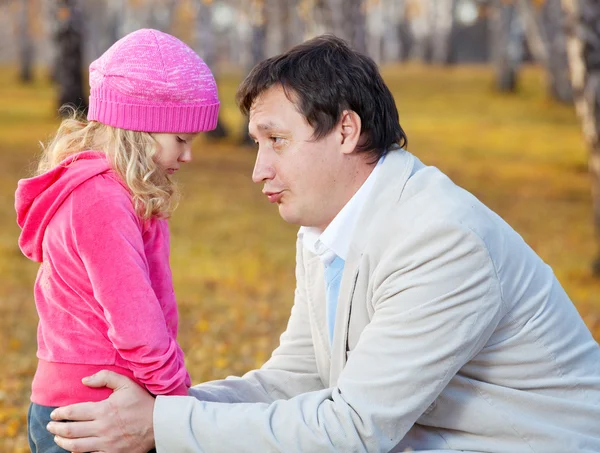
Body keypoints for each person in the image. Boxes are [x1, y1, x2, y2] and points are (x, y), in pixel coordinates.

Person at [47, 35, 600, 453]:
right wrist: (155, 411)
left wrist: (160, 425)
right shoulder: (326, 230)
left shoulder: (440, 240)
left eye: (276, 141)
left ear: (345, 131)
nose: (258, 170)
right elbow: (297, 379)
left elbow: (353, 429)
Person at [16, 28, 220, 453]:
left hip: (90, 403)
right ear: (142, 129)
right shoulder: (100, 201)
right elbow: (137, 321)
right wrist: (174, 402)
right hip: (96, 413)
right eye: (180, 140)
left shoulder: (121, 194)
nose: (188, 156)